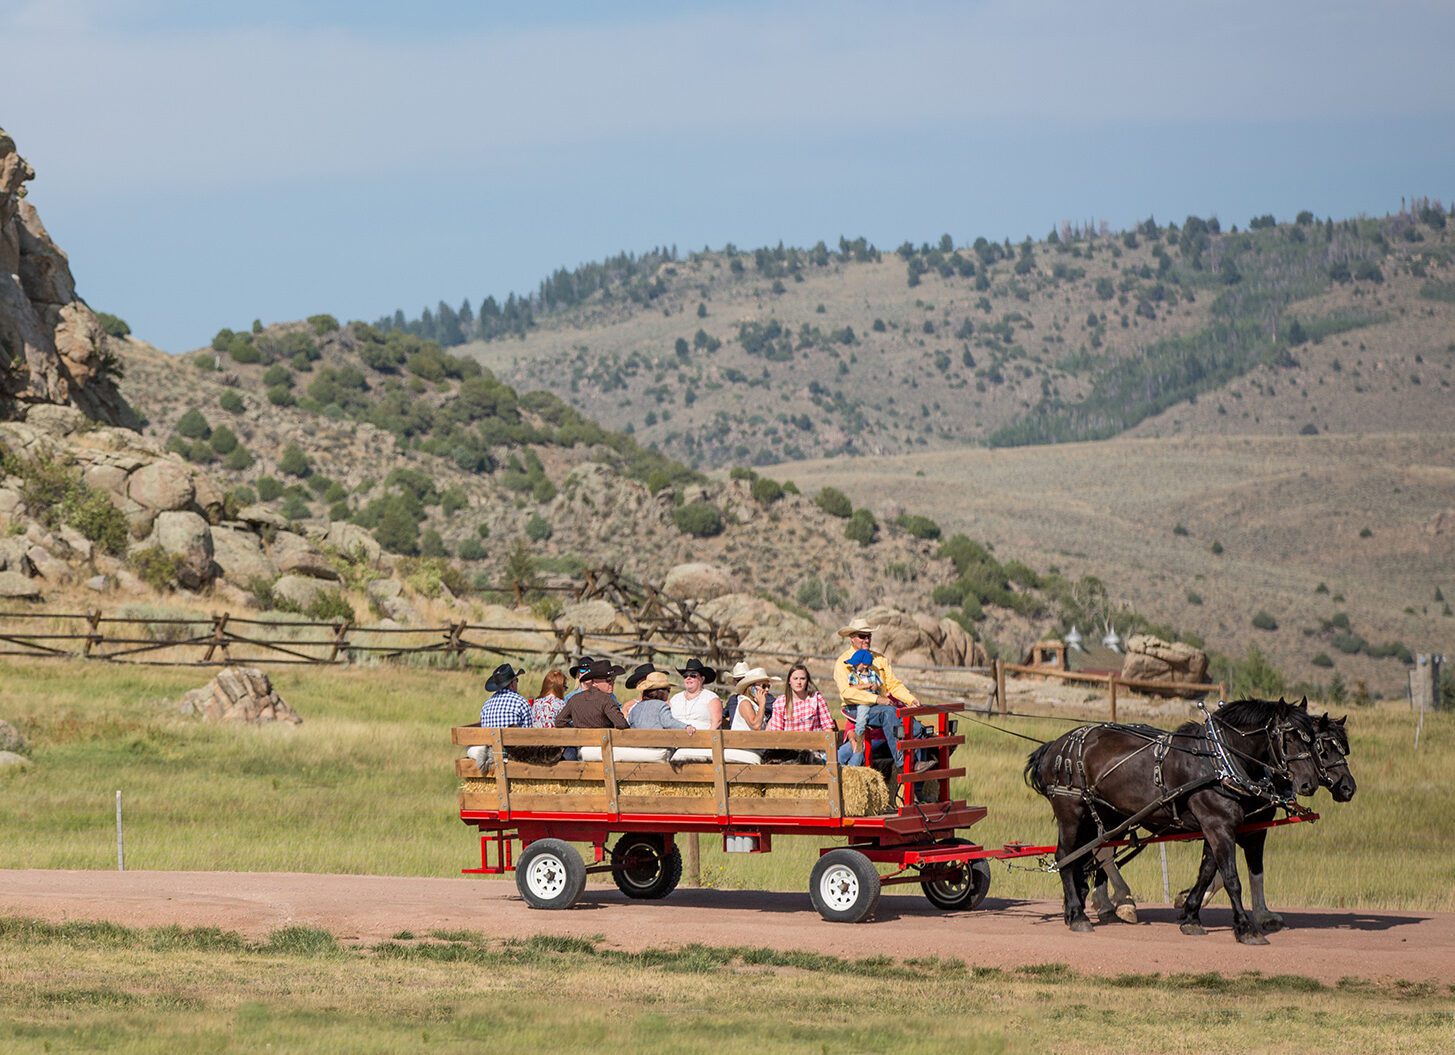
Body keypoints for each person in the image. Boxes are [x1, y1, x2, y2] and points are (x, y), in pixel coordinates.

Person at [832, 620, 919, 770]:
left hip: (882, 711)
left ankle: (918, 766)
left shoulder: (880, 659)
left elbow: (893, 684)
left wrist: (910, 699)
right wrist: (877, 698)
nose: (866, 639)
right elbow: (847, 693)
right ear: (851, 637)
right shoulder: (843, 662)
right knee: (888, 714)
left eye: (869, 636)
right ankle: (903, 763)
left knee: (915, 727)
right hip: (857, 709)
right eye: (862, 636)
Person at [471, 663, 529, 770]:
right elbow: (529, 734)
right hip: (513, 757)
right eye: (516, 681)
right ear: (512, 683)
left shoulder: (486, 704)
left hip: (490, 756)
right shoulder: (521, 702)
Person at [553, 659, 629, 729]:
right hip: (602, 742)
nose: (612, 682)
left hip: (580, 742)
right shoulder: (606, 700)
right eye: (608, 680)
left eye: (613, 679)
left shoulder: (574, 699)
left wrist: (575, 730)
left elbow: (559, 721)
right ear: (595, 682)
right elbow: (622, 724)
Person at [769, 662, 836, 733]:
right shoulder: (780, 702)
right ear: (789, 681)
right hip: (788, 742)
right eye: (795, 678)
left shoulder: (816, 699)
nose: (799, 682)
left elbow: (827, 728)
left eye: (802, 678)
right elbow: (776, 733)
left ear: (807, 681)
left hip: (814, 742)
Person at [670, 658, 723, 730]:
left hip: (701, 738)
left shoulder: (711, 698)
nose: (688, 678)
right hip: (674, 738)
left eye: (693, 676)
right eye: (685, 676)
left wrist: (707, 739)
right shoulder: (675, 698)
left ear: (702, 679)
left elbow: (717, 722)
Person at [625, 670, 690, 729]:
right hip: (656, 740)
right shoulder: (661, 706)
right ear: (662, 692)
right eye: (668, 690)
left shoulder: (635, 707)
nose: (669, 693)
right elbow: (668, 722)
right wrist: (686, 726)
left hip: (636, 740)